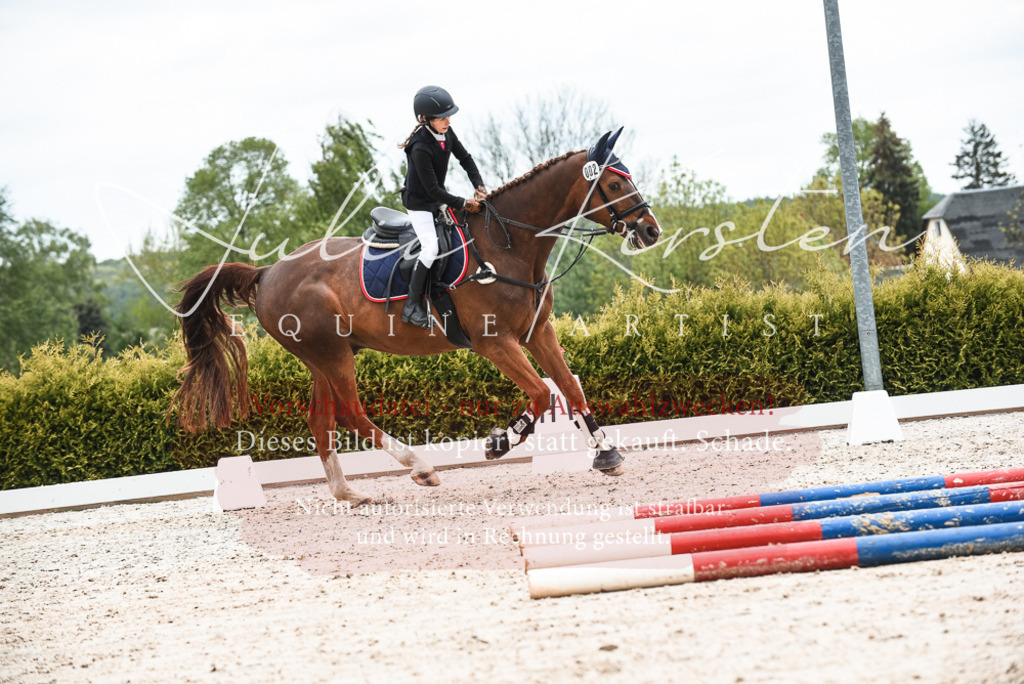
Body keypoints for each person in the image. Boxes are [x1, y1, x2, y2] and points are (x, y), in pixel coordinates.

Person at [399, 85, 487, 328]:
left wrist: (478, 184)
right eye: (442, 117)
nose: (448, 121)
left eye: (449, 116)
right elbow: (433, 190)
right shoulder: (419, 147)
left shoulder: (447, 132)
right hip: (419, 204)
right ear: (425, 119)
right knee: (431, 248)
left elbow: (465, 158)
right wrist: (463, 203)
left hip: (437, 200)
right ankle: (411, 306)